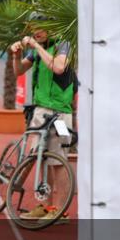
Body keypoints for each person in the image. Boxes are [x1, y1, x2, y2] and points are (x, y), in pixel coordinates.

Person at [10, 13, 76, 220]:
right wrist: (16, 55)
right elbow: (19, 71)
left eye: (40, 27)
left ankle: (60, 211)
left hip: (61, 114)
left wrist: (36, 46)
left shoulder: (64, 44)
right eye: (33, 28)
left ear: (51, 27)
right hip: (41, 111)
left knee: (59, 161)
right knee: (40, 158)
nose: (35, 32)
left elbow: (58, 67)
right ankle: (45, 206)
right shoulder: (39, 48)